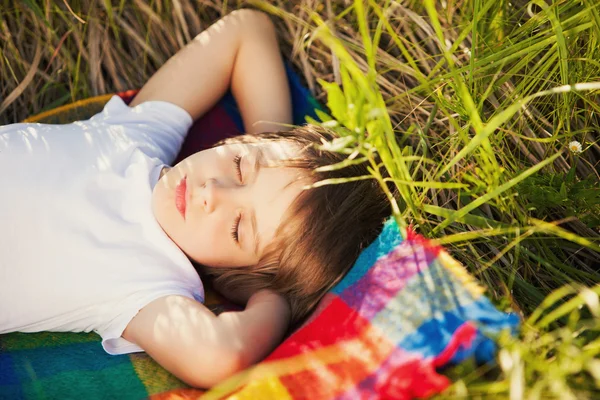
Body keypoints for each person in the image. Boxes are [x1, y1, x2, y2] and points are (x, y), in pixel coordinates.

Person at [0, 9, 391, 388]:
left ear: (238, 280)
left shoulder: (147, 284)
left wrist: (275, 297)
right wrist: (268, 142)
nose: (212, 193)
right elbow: (246, 31)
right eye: (238, 167)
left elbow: (222, 355)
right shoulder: (137, 134)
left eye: (239, 228)